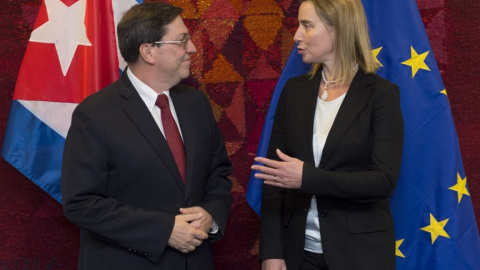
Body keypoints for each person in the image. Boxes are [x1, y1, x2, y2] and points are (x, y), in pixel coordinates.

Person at [61, 2, 233, 270]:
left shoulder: (196, 103)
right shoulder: (95, 114)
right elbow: (81, 203)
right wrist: (163, 230)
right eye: (182, 40)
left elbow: (219, 174)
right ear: (149, 51)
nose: (193, 48)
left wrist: (211, 214)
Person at [251, 0, 404, 269]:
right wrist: (272, 252)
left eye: (307, 26)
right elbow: (273, 175)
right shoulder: (294, 91)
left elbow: (383, 181)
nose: (297, 35)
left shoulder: (381, 95)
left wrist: (307, 178)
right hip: (298, 253)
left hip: (360, 255)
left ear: (339, 29)